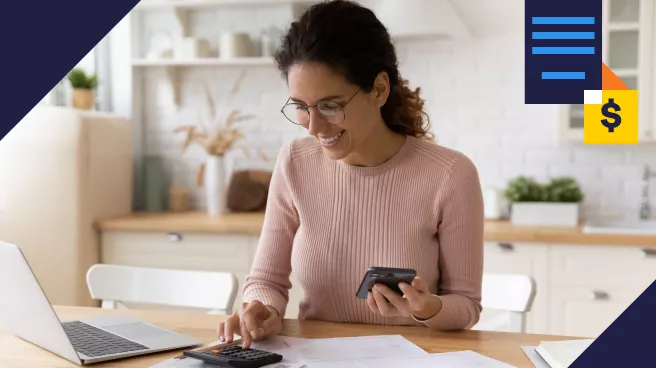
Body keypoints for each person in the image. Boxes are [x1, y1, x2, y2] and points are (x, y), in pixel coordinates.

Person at [218, 0, 484, 348]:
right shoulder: (295, 162)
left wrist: (427, 307)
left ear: (379, 89)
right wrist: (263, 310)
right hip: (313, 358)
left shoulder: (450, 175)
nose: (313, 127)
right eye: (300, 107)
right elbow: (267, 279)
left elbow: (466, 305)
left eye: (330, 106)